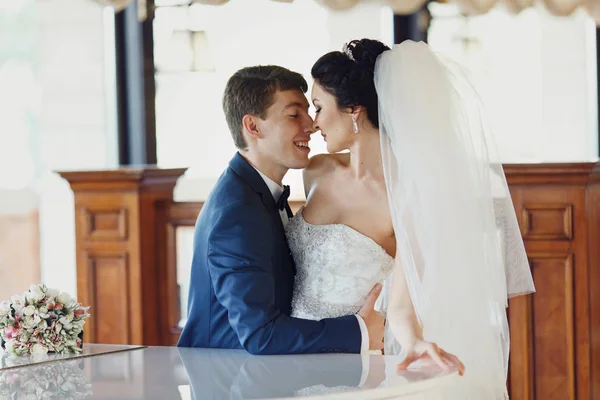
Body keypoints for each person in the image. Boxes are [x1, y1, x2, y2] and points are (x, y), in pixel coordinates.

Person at [285, 39, 535, 398]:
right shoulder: (315, 172)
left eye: (319, 107)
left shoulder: (408, 198)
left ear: (354, 109)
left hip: (354, 365)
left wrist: (414, 341)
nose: (312, 123)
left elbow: (402, 303)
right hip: (289, 351)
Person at [177, 65, 385, 356]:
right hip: (230, 379)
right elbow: (260, 334)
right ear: (253, 126)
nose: (310, 125)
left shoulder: (259, 192)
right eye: (293, 115)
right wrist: (360, 331)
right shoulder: (237, 213)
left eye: (309, 111)